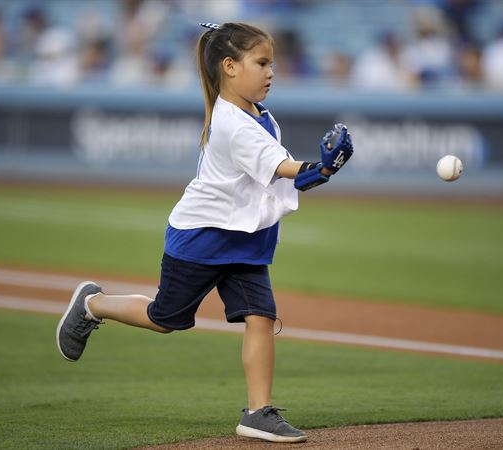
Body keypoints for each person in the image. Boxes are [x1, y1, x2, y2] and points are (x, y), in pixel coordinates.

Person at [56, 21, 353, 443]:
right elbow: (287, 170)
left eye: (272, 63)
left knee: (261, 316)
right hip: (203, 238)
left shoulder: (260, 115)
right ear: (230, 66)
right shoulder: (234, 124)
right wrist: (321, 167)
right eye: (262, 62)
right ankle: (94, 304)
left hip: (245, 240)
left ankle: (258, 412)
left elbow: (286, 175)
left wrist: (319, 172)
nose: (271, 72)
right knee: (165, 319)